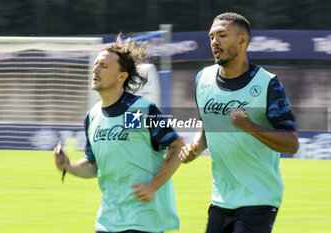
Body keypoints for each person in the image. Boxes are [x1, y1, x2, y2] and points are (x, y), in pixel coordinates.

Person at [179, 12, 299, 233]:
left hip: (259, 198)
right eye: (211, 37)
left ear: (242, 40)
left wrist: (251, 128)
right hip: (221, 199)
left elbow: (291, 143)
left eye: (222, 35)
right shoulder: (202, 79)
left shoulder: (268, 84)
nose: (215, 42)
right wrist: (195, 147)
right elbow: (207, 123)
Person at [54, 34, 183, 233]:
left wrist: (153, 185)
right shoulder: (92, 116)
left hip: (143, 221)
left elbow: (177, 145)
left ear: (122, 76)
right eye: (96, 64)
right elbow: (93, 165)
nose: (95, 69)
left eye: (104, 66)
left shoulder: (140, 110)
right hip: (107, 222)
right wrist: (68, 166)